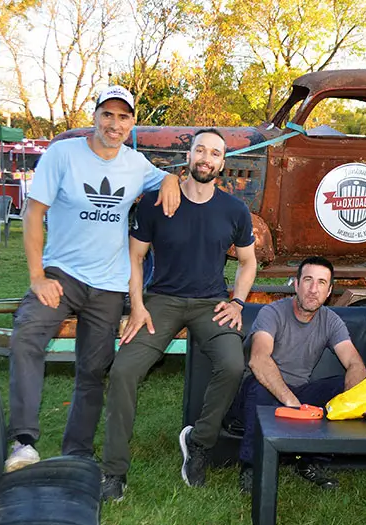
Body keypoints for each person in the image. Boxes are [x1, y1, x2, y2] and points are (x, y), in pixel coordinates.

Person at [5, 86, 181, 473]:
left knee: (93, 369)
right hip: (62, 275)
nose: (114, 124)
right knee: (27, 334)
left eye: (123, 117)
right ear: (96, 116)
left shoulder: (136, 164)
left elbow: (163, 178)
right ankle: (23, 441)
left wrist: (169, 179)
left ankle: (77, 452)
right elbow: (33, 214)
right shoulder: (63, 154)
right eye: (108, 114)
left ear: (132, 122)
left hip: (109, 284)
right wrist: (37, 276)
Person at [99, 129, 258, 501]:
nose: (206, 158)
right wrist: (137, 305)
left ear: (222, 163)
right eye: (200, 150)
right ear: (188, 156)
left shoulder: (234, 210)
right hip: (161, 301)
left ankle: (199, 443)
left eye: (214, 153)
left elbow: (248, 262)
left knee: (233, 365)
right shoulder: (156, 203)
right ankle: (114, 472)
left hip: (210, 303)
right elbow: (136, 257)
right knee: (123, 371)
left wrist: (237, 302)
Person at [236, 257, 366, 492]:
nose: (313, 289)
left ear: (329, 291)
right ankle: (251, 467)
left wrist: (348, 400)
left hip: (299, 392)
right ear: (296, 285)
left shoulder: (331, 321)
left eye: (321, 283)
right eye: (308, 280)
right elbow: (259, 359)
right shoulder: (272, 312)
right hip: (261, 389)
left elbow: (355, 363)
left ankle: (309, 462)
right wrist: (293, 404)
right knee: (259, 390)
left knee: (341, 387)